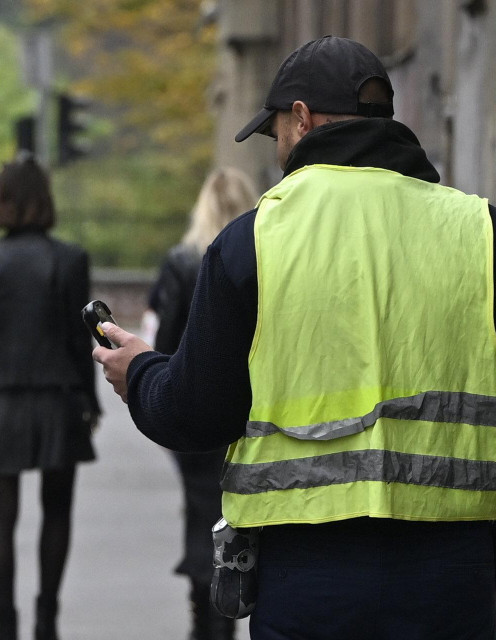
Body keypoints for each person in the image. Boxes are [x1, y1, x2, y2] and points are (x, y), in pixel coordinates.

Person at [92, 36, 496, 640]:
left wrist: (142, 372)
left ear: (301, 119)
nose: (279, 149)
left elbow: (198, 413)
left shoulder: (253, 240)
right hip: (461, 572)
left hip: (309, 574)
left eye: (276, 130)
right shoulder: (479, 229)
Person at [0, 153, 99, 640]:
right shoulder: (70, 259)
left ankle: (5, 626)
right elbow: (81, 340)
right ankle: (46, 619)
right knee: (58, 512)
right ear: (45, 200)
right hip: (55, 394)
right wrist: (89, 401)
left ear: (0, 202)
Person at [152, 167, 257, 640]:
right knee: (249, 516)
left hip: (195, 410)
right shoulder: (265, 255)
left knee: (202, 518)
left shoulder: (181, 261)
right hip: (257, 412)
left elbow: (162, 341)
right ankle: (237, 612)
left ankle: (207, 624)